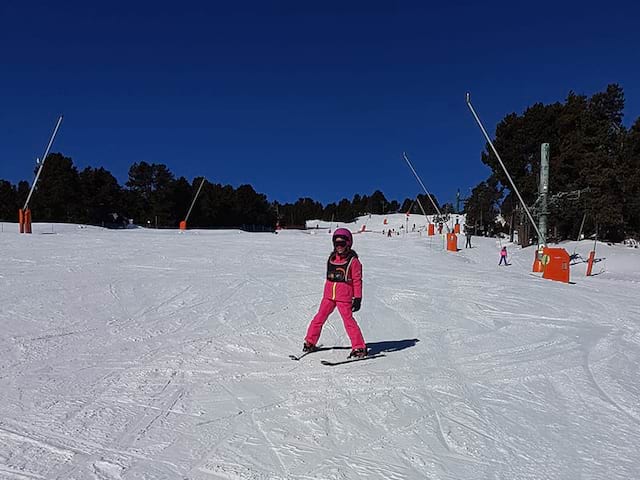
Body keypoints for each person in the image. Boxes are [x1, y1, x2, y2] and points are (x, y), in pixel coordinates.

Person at [303, 228, 367, 358]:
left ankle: (359, 347)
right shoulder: (332, 258)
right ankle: (310, 342)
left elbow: (357, 280)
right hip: (328, 296)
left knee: (349, 322)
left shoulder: (353, 261)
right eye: (336, 244)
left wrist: (358, 298)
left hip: (344, 297)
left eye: (342, 244)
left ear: (348, 244)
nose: (339, 247)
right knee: (319, 318)